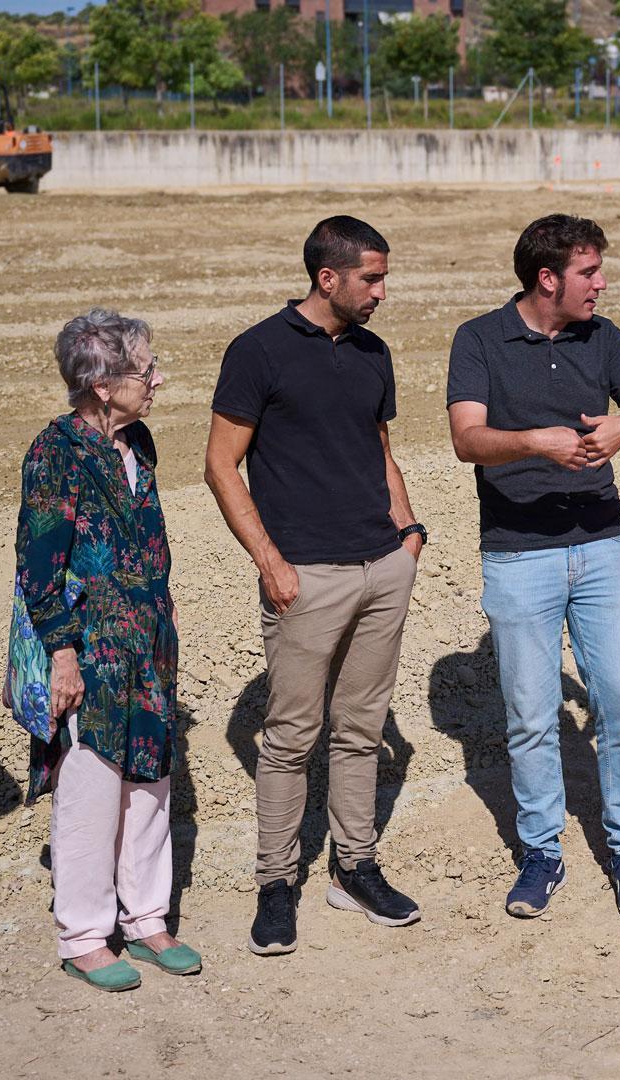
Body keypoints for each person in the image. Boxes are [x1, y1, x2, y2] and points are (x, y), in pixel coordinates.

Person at [208, 216, 426, 954]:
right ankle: (276, 883)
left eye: (383, 276)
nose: (382, 292)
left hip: (381, 567)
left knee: (361, 730)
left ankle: (354, 868)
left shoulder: (373, 353)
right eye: (372, 278)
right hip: (306, 574)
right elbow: (219, 464)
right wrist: (270, 561)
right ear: (327, 278)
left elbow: (379, 448)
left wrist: (408, 531)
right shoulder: (257, 350)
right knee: (291, 738)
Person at [446, 213, 620, 919]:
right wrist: (537, 444)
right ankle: (542, 852)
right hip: (518, 554)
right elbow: (466, 439)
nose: (600, 284)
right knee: (531, 717)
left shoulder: (603, 337)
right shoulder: (478, 338)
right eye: (588, 273)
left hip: (603, 547)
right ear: (549, 278)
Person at [12, 309, 195, 992]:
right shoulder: (54, 451)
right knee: (90, 790)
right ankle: (85, 935)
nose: (157, 379)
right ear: (100, 382)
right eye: (145, 370)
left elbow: (151, 540)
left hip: (148, 642)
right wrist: (62, 654)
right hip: (91, 649)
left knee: (150, 781)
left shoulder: (138, 442)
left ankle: (147, 919)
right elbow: (38, 566)